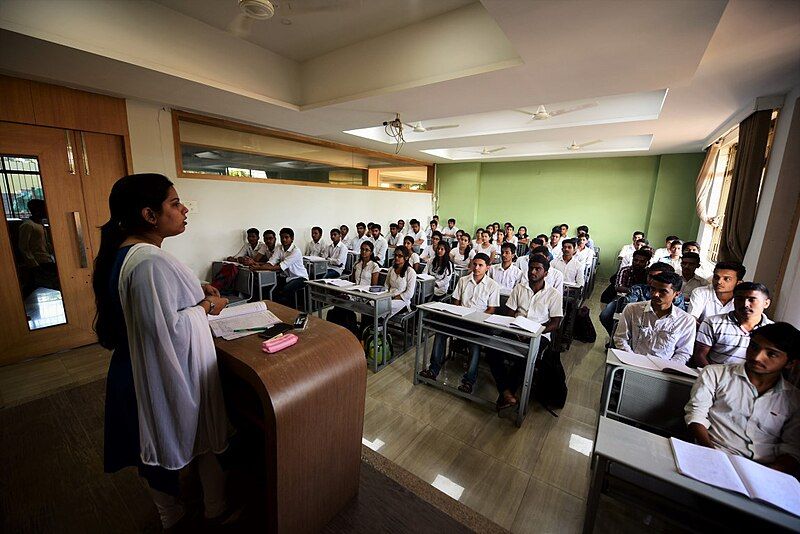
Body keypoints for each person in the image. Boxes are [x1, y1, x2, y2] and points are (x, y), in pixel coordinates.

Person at [93, 174, 231, 530]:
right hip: (148, 371)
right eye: (174, 203)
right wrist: (206, 308)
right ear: (150, 215)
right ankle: (204, 513)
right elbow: (168, 329)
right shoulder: (150, 262)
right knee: (195, 438)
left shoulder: (128, 252)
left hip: (129, 367)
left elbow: (154, 308)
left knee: (154, 451)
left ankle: (172, 514)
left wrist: (192, 293)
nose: (184, 209)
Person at [684, 323, 800, 474]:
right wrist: (712, 455)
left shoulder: (794, 399)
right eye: (754, 347)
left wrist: (766, 474)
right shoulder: (715, 374)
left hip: (763, 470)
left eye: (771, 354)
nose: (757, 357)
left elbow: (792, 448)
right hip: (713, 454)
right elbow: (696, 416)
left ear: (790, 363)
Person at [488, 256, 562, 409]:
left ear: (546, 273)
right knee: (492, 347)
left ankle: (506, 393)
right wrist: (517, 328)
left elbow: (555, 323)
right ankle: (506, 392)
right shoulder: (519, 288)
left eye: (538, 269)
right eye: (531, 268)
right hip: (517, 329)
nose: (533, 272)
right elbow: (510, 312)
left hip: (539, 334)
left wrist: (536, 331)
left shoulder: (553, 294)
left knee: (526, 356)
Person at [419, 253, 499, 393]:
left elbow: (491, 309)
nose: (476, 268)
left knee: (475, 344)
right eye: (474, 264)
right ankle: (433, 369)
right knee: (441, 332)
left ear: (487, 268)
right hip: (461, 319)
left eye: (480, 265)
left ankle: (468, 381)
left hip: (478, 323)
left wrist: (479, 318)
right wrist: (459, 313)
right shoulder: (463, 280)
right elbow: (456, 301)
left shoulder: (493, 285)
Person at [613, 272, 696, 363]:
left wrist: (668, 368)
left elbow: (683, 353)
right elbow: (620, 338)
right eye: (653, 289)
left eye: (663, 291)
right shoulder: (632, 309)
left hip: (665, 370)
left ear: (676, 294)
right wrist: (632, 360)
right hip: (632, 363)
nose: (655, 294)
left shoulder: (686, 320)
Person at [691, 282, 774, 367]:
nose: (745, 304)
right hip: (717, 376)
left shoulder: (773, 330)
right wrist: (712, 376)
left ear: (766, 303)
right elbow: (700, 355)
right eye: (739, 299)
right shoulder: (712, 322)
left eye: (752, 300)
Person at [598, 249, 652, 336]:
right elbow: (619, 287)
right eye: (635, 260)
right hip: (622, 299)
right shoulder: (625, 270)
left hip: (643, 303)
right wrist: (636, 291)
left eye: (642, 261)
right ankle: (614, 336)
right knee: (604, 316)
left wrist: (634, 291)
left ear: (647, 263)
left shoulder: (649, 274)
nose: (637, 263)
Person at [259, 227, 309, 306]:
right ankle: (273, 306)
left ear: (292, 238)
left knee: (286, 289)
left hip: (299, 277)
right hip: (286, 277)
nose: (284, 240)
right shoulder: (279, 248)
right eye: (282, 237)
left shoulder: (296, 251)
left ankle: (290, 310)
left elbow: (279, 266)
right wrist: (259, 266)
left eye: (286, 237)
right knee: (269, 285)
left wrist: (258, 267)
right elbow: (272, 262)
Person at [18, 198, 58, 296]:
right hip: (39, 262)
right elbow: (24, 247)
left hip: (46, 259)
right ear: (37, 210)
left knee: (36, 285)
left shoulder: (40, 224)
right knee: (34, 285)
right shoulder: (28, 225)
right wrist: (33, 264)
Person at [385, 247, 417, 318]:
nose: (396, 257)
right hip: (389, 297)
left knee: (381, 307)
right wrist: (385, 296)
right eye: (395, 255)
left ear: (406, 257)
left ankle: (379, 325)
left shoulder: (410, 272)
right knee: (371, 304)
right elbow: (386, 286)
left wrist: (394, 297)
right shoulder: (391, 269)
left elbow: (409, 294)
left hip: (402, 301)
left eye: (400, 256)